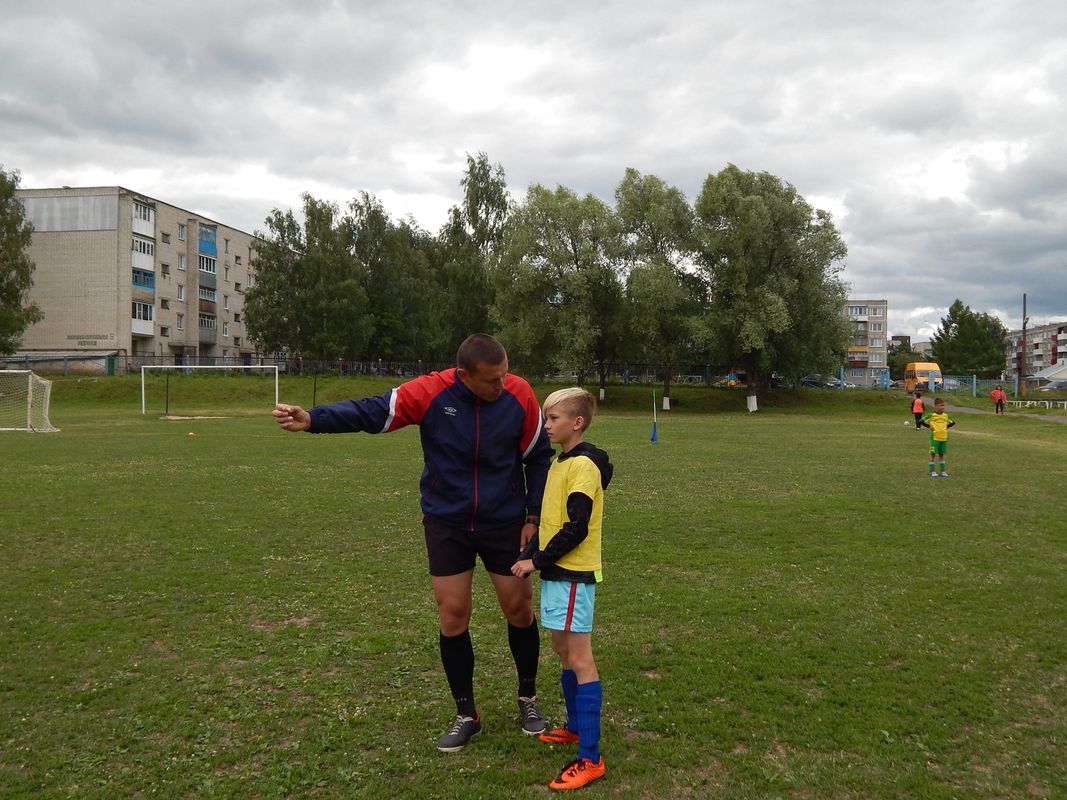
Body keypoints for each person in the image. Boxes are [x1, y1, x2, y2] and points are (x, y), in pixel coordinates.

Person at [272, 334, 554, 752]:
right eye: (491, 380)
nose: (501, 385)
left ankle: (527, 697)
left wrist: (533, 516)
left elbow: (538, 456)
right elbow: (371, 411)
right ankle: (466, 713)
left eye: (504, 374)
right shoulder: (431, 392)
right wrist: (313, 419)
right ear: (464, 376)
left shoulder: (519, 394)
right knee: (453, 614)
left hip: (504, 522)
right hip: (447, 521)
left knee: (519, 608)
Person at [511, 388, 614, 791]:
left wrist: (536, 561)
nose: (546, 425)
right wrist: (529, 551)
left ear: (577, 422)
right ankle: (574, 728)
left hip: (573, 574)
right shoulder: (560, 463)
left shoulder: (584, 465)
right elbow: (552, 524)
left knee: (579, 657)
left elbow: (577, 527)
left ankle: (591, 758)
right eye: (545, 418)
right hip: (557, 572)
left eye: (552, 419)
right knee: (562, 650)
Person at [919, 397, 956, 477]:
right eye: (941, 405)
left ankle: (943, 471)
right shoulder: (931, 415)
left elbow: (953, 422)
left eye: (943, 406)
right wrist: (929, 426)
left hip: (944, 437)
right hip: (935, 438)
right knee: (933, 454)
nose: (943, 407)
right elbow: (921, 421)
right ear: (935, 406)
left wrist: (946, 427)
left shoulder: (945, 416)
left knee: (941, 455)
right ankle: (932, 471)